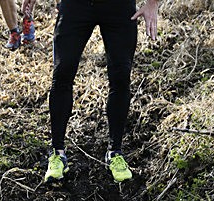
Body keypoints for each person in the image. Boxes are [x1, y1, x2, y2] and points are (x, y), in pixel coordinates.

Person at [44, 0, 159, 184]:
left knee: (121, 77)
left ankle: (115, 152)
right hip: (76, 6)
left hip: (119, 7)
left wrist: (152, 3)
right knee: (62, 73)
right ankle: (57, 154)